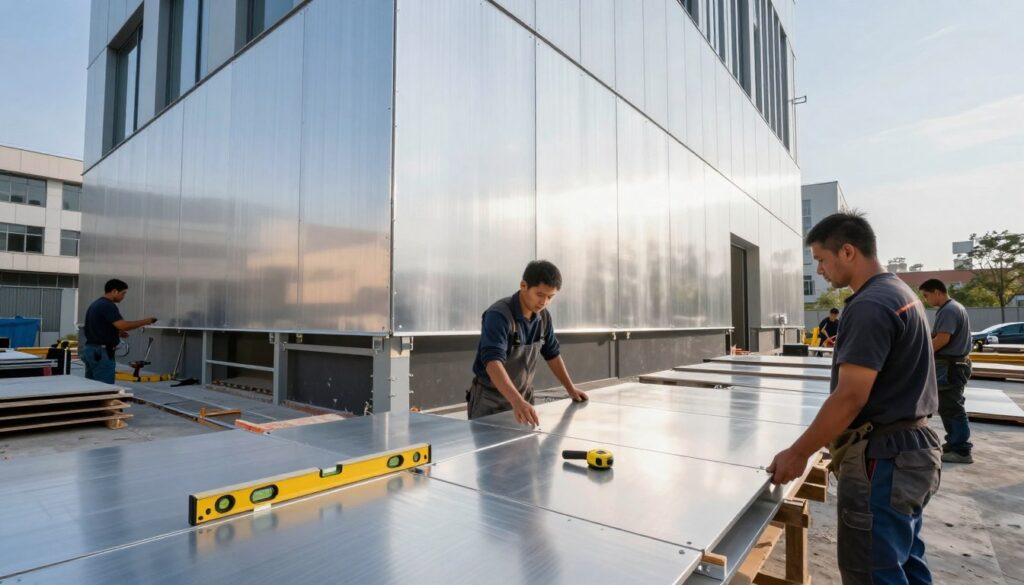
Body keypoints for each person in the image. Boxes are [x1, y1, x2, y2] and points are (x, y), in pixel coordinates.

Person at [767, 212, 940, 584]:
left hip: (884, 456)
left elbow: (850, 398)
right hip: (914, 449)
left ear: (847, 251)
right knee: (905, 560)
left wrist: (798, 452)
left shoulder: (869, 305)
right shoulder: (901, 293)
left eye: (821, 259)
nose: (819, 269)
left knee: (873, 571)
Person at [467, 260, 588, 425]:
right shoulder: (499, 315)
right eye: (540, 294)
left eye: (550, 297)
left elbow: (552, 354)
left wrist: (570, 389)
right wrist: (516, 402)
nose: (544, 302)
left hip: (524, 399)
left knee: (525, 449)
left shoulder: (543, 317)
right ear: (524, 285)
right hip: (490, 401)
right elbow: (492, 362)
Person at [919, 278, 973, 464]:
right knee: (948, 405)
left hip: (951, 366)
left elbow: (942, 339)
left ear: (937, 292)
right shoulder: (954, 307)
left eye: (926, 296)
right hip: (954, 365)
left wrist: (921, 354)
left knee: (952, 407)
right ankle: (954, 443)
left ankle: (962, 450)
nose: (926, 300)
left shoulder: (949, 310)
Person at [82, 279, 158, 384]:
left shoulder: (96, 304)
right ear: (114, 291)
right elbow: (124, 325)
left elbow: (98, 327)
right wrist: (146, 321)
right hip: (101, 353)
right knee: (105, 388)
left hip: (91, 350)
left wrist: (116, 333)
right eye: (123, 293)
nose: (123, 297)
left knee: (92, 386)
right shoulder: (107, 305)